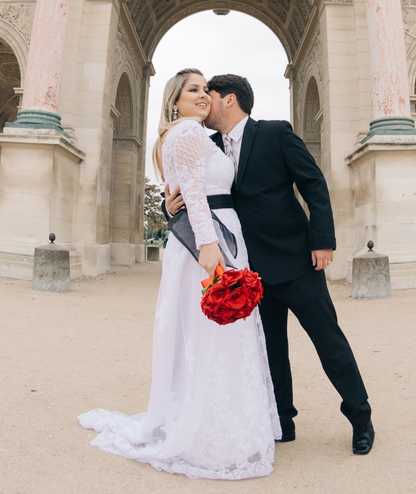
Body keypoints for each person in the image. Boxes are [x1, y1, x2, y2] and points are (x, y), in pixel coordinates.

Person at [79, 70, 280, 479]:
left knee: (207, 333)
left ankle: (210, 416)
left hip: (206, 236)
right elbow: (193, 195)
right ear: (175, 102)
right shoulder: (188, 134)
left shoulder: (184, 136)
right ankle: (216, 430)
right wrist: (209, 247)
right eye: (194, 90)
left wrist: (184, 219)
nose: (204, 95)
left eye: (206, 89)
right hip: (208, 242)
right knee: (217, 334)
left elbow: (183, 194)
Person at [166, 73, 375, 456]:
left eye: (208, 95)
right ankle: (283, 420)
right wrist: (170, 205)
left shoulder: (276, 132)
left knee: (329, 342)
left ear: (228, 99)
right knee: (271, 349)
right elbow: (194, 188)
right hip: (250, 267)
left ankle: (360, 417)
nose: (204, 103)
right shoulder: (206, 143)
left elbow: (313, 183)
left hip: (297, 261)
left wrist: (323, 240)